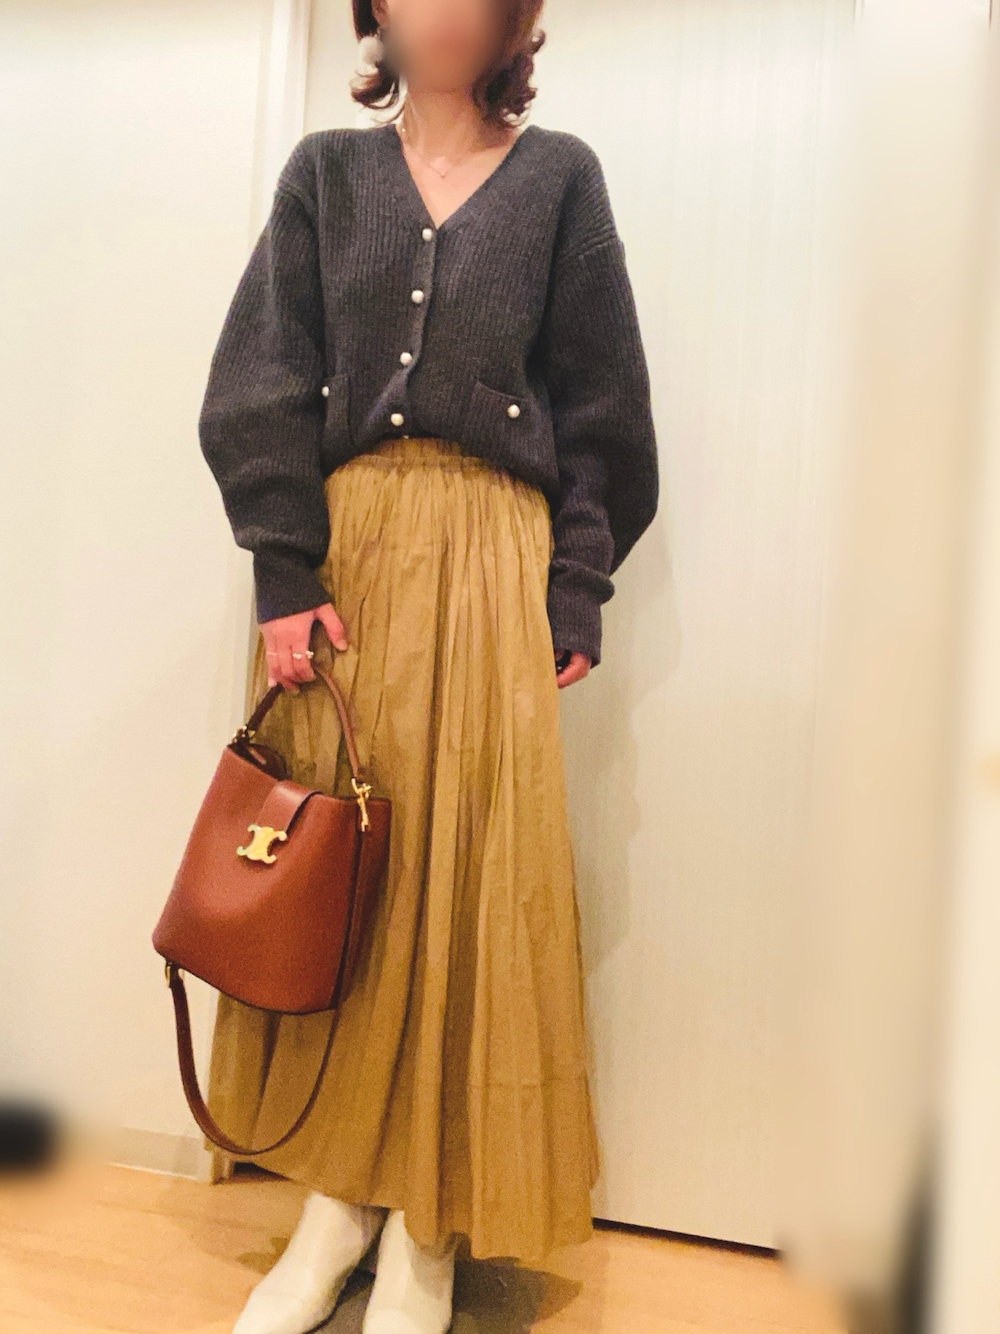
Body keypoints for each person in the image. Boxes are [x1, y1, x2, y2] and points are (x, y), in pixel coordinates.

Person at [196, 1, 659, 1331]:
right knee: (347, 879)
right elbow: (262, 376)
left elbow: (604, 407)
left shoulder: (561, 179)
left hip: (498, 564)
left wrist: (576, 581)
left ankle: (427, 1223)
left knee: (469, 881)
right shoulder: (324, 177)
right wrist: (284, 568)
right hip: (352, 566)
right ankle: (336, 1203)